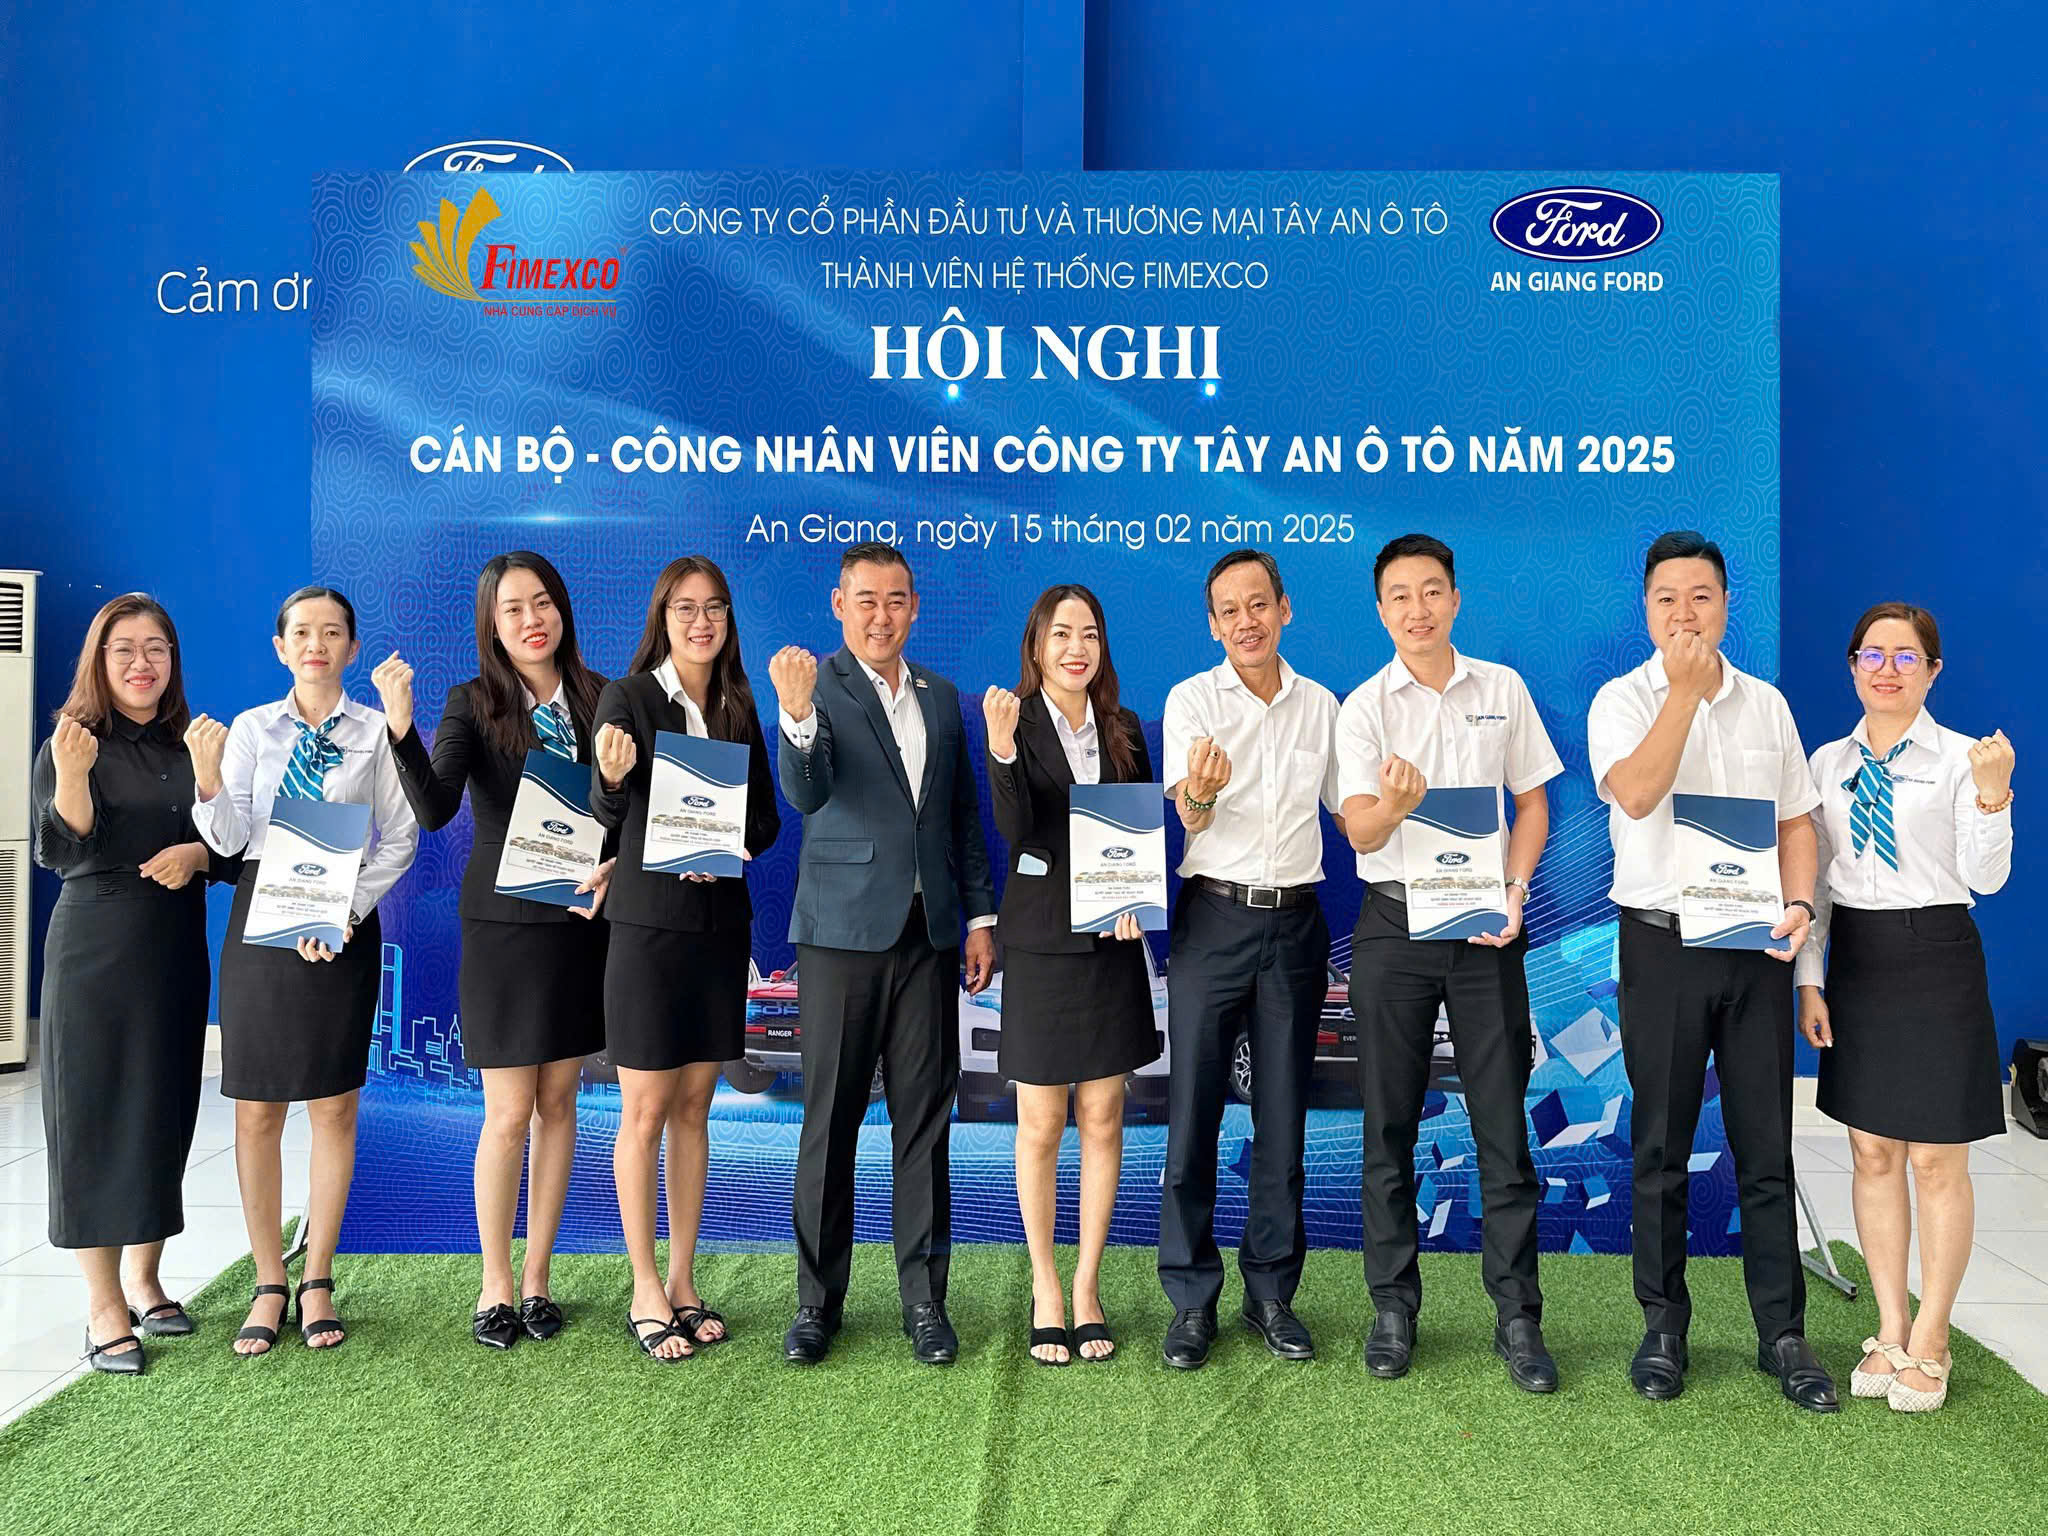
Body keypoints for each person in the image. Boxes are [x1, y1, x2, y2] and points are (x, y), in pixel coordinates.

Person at [1586, 530, 1835, 1411]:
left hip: (1757, 948)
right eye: (1667, 598)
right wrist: (1684, 697)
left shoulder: (1767, 705)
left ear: (1727, 605)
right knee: (1659, 1146)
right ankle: (1663, 1327)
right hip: (1663, 946)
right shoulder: (1621, 700)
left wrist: (1800, 906)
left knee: (1766, 1146)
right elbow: (1637, 792)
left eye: (1701, 596)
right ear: (1646, 610)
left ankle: (1783, 1333)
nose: (1684, 613)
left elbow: (1796, 820)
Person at [1336, 534, 1563, 1391]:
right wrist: (1393, 806)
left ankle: (1518, 1316)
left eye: (1432, 591)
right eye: (1400, 596)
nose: (1418, 609)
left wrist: (1515, 889)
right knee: (1388, 1129)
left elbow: (1532, 804)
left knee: (1503, 1128)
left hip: (1483, 928)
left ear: (1456, 599)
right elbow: (1360, 833)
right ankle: (1393, 1308)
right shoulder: (1363, 708)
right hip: (1394, 926)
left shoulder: (1501, 688)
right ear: (1380, 610)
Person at [373, 552, 614, 1350]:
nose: (531, 619)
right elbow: (436, 808)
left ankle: (539, 1278)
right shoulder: (472, 702)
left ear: (562, 609)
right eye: (513, 609)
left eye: (542, 602)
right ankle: (495, 1285)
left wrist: (615, 858)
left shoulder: (602, 697)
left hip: (578, 922)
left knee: (560, 1103)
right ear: (492, 624)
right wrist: (401, 729)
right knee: (509, 1112)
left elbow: (626, 803)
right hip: (505, 929)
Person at [771, 542, 997, 1366]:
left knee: (924, 1125)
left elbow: (961, 818)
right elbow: (806, 792)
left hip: (929, 938)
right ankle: (816, 1305)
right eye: (865, 600)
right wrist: (797, 716)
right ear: (840, 605)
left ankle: (924, 1303)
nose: (881, 615)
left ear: (914, 606)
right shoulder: (814, 686)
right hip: (839, 936)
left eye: (896, 599)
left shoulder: (941, 696)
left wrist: (980, 918)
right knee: (829, 1122)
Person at [188, 585, 420, 1356]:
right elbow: (228, 840)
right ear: (280, 647)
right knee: (257, 1109)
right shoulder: (252, 729)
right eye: (301, 633)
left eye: (331, 632)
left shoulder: (376, 733)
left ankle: (317, 1275)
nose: (316, 645)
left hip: (341, 916)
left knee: (333, 1107)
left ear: (352, 647)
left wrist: (347, 911)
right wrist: (209, 780)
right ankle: (267, 1279)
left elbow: (401, 836)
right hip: (263, 915)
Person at [1797, 603, 2014, 1413]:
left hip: (1938, 955)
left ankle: (1933, 1333)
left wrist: (1993, 796)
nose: (1887, 669)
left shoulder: (1964, 758)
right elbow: (1815, 886)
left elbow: (1987, 879)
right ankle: (1890, 1326)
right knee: (1873, 1152)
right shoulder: (1826, 763)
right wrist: (1810, 979)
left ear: (1933, 669)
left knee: (1935, 1159)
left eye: (1906, 656)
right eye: (1872, 654)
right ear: (1853, 665)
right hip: (1858, 958)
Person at [30, 595, 238, 1375]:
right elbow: (62, 850)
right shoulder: (72, 742)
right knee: (95, 1117)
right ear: (100, 659)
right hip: (95, 950)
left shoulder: (193, 743)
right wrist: (72, 776)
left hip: (173, 951)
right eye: (124, 649)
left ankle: (147, 1281)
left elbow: (233, 850)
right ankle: (103, 1304)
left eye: (156, 648)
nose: (141, 663)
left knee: (162, 1112)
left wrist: (199, 849)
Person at [589, 556, 781, 1362]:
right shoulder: (629, 698)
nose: (702, 623)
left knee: (696, 1109)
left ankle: (683, 1280)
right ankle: (643, 1286)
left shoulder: (738, 704)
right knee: (644, 1112)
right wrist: (610, 775)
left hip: (719, 930)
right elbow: (604, 806)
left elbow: (766, 821)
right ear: (662, 618)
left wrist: (728, 841)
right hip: (648, 931)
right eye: (686, 609)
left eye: (715, 609)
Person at [1157, 548, 1343, 1370]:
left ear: (1285, 609)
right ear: (1213, 624)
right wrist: (1201, 794)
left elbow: (1355, 813)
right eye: (1229, 611)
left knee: (1282, 1119)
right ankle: (1191, 1298)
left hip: (1297, 925)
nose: (1246, 622)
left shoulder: (1323, 706)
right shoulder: (1192, 700)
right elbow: (1190, 814)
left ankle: (1271, 1293)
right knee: (1194, 1112)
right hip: (1213, 919)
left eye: (1258, 604)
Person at [983, 585, 1158, 1365]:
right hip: (1044, 947)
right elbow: (1018, 831)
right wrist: (1002, 752)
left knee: (1104, 1117)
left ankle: (1087, 1287)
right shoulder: (1013, 723)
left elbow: (1141, 832)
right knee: (1042, 1123)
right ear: (1037, 647)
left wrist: (1136, 899)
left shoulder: (1124, 728)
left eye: (1088, 633)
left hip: (1113, 949)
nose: (1076, 648)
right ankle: (1045, 1286)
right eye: (1061, 634)